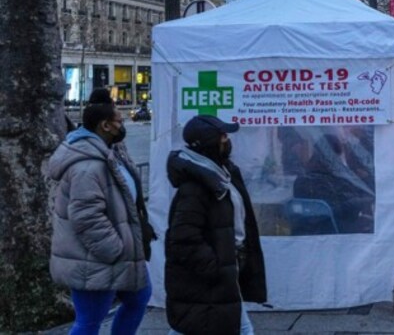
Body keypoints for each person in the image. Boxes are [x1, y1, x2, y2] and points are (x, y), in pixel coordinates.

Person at [49, 89, 154, 335]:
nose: (123, 124)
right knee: (89, 321)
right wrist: (114, 249)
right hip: (96, 257)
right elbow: (86, 217)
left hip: (119, 253)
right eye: (119, 121)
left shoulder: (111, 151)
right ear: (105, 126)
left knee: (139, 299)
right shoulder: (87, 166)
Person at [165, 115, 267, 334]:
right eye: (222, 135)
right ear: (210, 142)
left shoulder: (221, 174)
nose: (227, 139)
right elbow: (183, 240)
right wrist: (218, 268)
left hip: (220, 278)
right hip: (209, 280)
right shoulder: (195, 187)